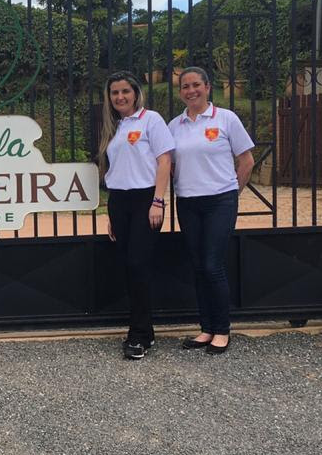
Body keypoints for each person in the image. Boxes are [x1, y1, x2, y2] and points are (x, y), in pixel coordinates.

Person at [169, 66, 255, 355]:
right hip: (188, 202)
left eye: (196, 85)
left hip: (220, 201)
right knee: (197, 266)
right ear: (180, 92)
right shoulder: (174, 125)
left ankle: (222, 329)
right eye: (185, 87)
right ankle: (206, 328)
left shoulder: (226, 119)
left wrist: (233, 191)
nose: (191, 91)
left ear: (208, 87)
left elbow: (247, 161)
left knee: (212, 265)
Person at [98, 70, 173, 360]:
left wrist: (158, 200)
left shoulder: (151, 120)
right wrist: (110, 213)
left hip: (145, 200)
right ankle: (146, 331)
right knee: (130, 267)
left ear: (136, 93)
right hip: (120, 201)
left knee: (138, 264)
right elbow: (115, 172)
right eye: (115, 93)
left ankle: (138, 335)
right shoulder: (113, 127)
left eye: (125, 91)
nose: (120, 97)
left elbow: (164, 159)